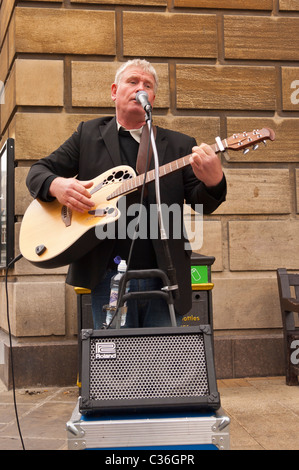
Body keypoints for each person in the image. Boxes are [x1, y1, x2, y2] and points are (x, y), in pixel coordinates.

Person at [26, 59, 226, 329]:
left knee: (160, 363)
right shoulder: (88, 135)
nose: (140, 88)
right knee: (116, 363)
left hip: (166, 276)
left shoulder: (180, 145)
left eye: (148, 85)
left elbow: (202, 203)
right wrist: (57, 186)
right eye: (133, 82)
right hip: (108, 277)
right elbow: (38, 171)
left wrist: (214, 181)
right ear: (114, 91)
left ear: (152, 98)